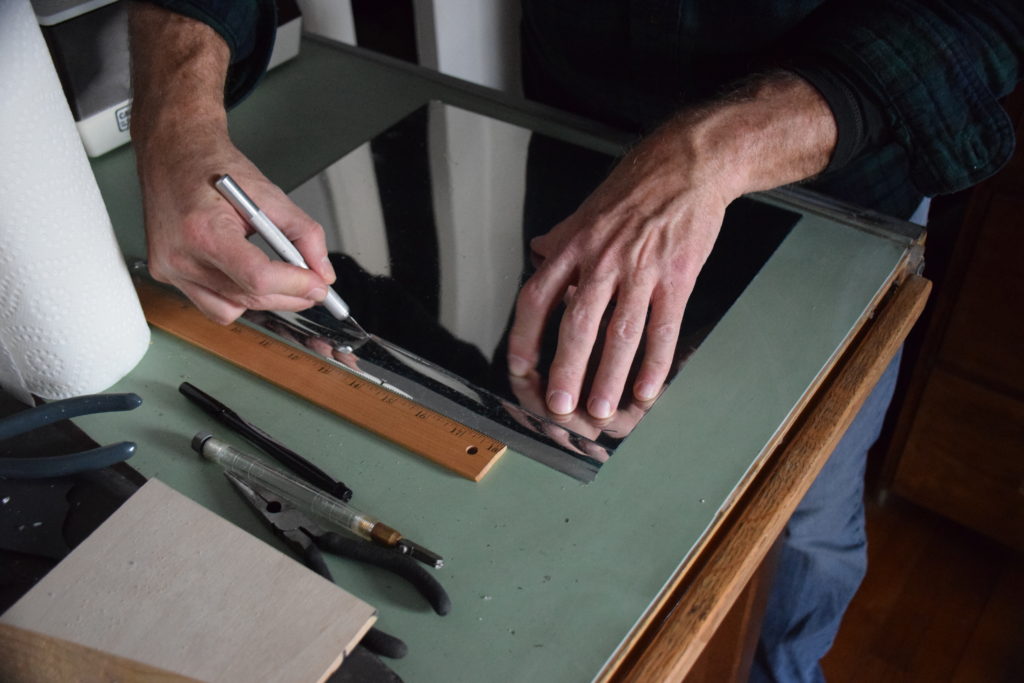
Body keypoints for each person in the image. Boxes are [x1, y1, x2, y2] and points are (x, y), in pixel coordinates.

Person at [127, 1, 1022, 680]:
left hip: (841, 180)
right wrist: (179, 125)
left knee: (804, 515)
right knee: (567, 458)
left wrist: (712, 155)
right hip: (581, 138)